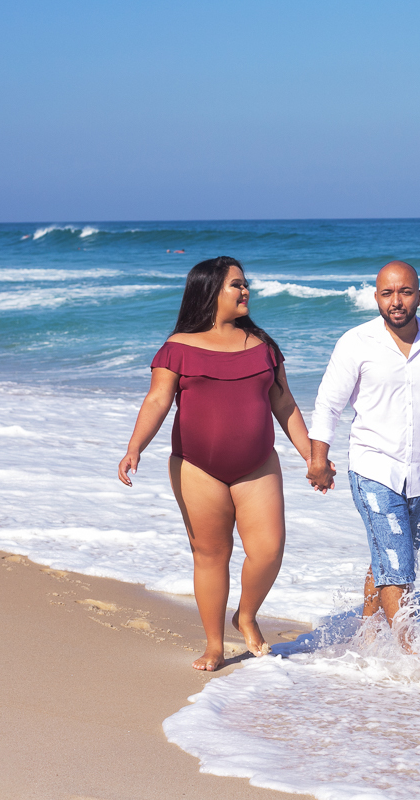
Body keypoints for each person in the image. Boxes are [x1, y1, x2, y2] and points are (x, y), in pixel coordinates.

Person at [118, 256, 320, 671]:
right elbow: (157, 400)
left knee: (268, 550)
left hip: (258, 464)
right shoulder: (177, 348)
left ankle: (245, 615)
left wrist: (312, 455)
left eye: (245, 284)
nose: (245, 291)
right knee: (211, 555)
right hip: (196, 467)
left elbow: (284, 403)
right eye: (236, 285)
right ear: (210, 291)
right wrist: (135, 446)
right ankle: (214, 645)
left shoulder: (263, 346)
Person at [306, 260, 420, 651]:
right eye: (387, 293)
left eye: (405, 292)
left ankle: (367, 635)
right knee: (398, 565)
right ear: (376, 297)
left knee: (390, 558)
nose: (396, 301)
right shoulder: (356, 343)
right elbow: (328, 405)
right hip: (373, 468)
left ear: (419, 296)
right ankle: (412, 654)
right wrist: (318, 459)